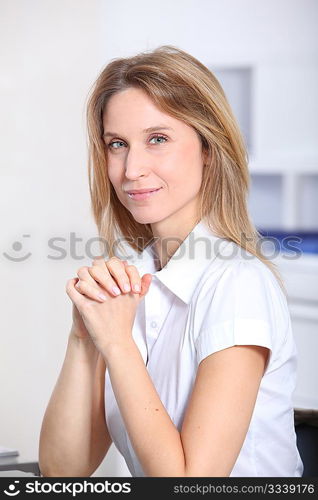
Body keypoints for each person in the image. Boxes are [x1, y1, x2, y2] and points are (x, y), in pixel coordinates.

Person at [38, 45, 304, 477]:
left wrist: (118, 345)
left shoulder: (237, 284)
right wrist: (85, 335)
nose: (131, 169)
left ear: (208, 149)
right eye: (117, 144)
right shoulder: (135, 281)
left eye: (157, 139)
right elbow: (60, 473)